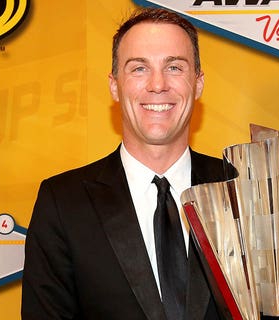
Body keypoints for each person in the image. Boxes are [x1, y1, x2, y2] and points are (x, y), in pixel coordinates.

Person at [22, 7, 224, 320]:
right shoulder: (62, 203)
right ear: (115, 85)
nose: (158, 84)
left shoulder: (242, 188)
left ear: (198, 83)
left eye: (174, 67)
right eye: (139, 69)